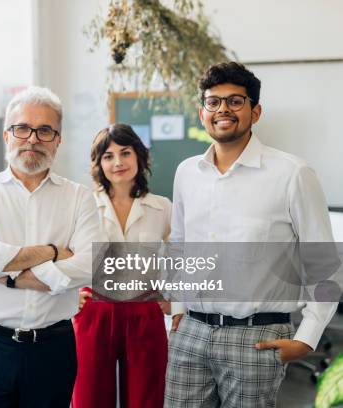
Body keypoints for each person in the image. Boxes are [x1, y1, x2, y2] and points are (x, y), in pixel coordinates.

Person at [164, 62, 337, 407]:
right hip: (191, 333)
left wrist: (308, 337)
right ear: (202, 112)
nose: (222, 110)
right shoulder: (187, 173)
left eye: (235, 101)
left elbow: (324, 262)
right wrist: (177, 309)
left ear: (255, 112)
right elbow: (179, 245)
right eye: (213, 102)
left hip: (257, 337)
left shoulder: (292, 173)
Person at [0, 86, 101, 408]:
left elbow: (89, 265)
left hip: (53, 346)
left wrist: (6, 271)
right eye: (22, 128)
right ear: (7, 135)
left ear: (58, 139)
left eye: (45, 130)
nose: (32, 138)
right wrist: (52, 251)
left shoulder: (78, 198)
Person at [73, 124, 171, 408]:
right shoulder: (83, 205)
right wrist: (68, 294)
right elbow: (63, 253)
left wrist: (174, 297)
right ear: (99, 164)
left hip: (145, 311)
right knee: (89, 398)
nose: (117, 162)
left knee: (146, 398)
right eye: (108, 156)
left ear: (139, 157)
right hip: (95, 311)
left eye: (125, 153)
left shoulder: (161, 207)